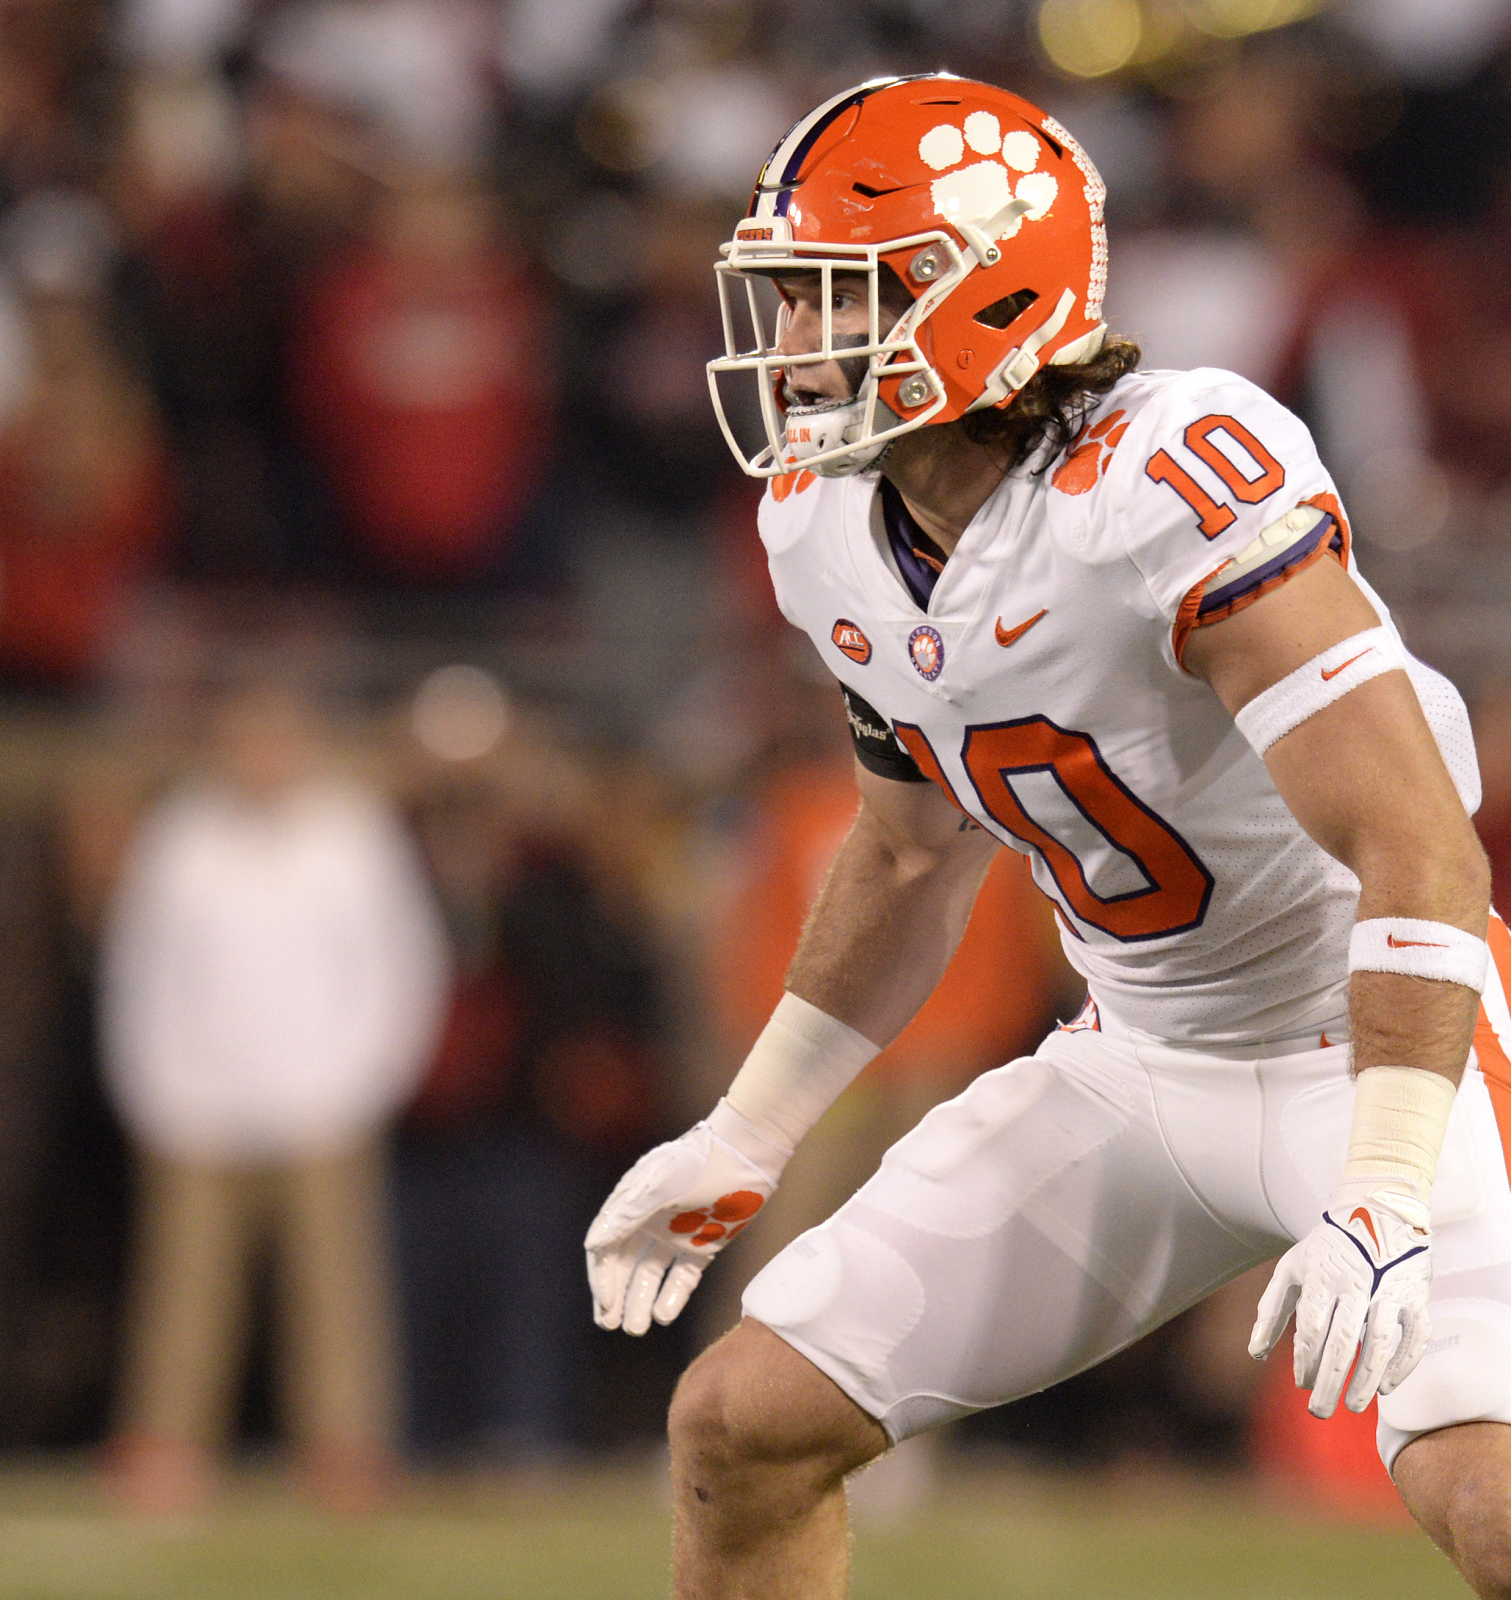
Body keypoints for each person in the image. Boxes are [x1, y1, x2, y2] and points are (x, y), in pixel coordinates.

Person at [583, 75, 1511, 1598]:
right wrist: (746, 1133)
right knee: (741, 1424)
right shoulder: (826, 524)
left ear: (979, 293)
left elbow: (1423, 851)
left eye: (834, 298)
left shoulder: (1170, 478)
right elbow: (903, 854)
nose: (792, 345)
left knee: (1486, 1497)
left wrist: (1388, 1188)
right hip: (1137, 1061)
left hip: (1378, 1053)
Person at [101, 680, 449, 1514]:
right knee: (183, 1294)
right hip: (197, 1111)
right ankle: (166, 1449)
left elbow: (403, 969)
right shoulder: (180, 839)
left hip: (322, 1107)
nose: (260, 758)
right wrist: (156, 1090)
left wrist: (363, 1082)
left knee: (335, 1294)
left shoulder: (352, 834)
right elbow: (141, 975)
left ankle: (345, 1454)